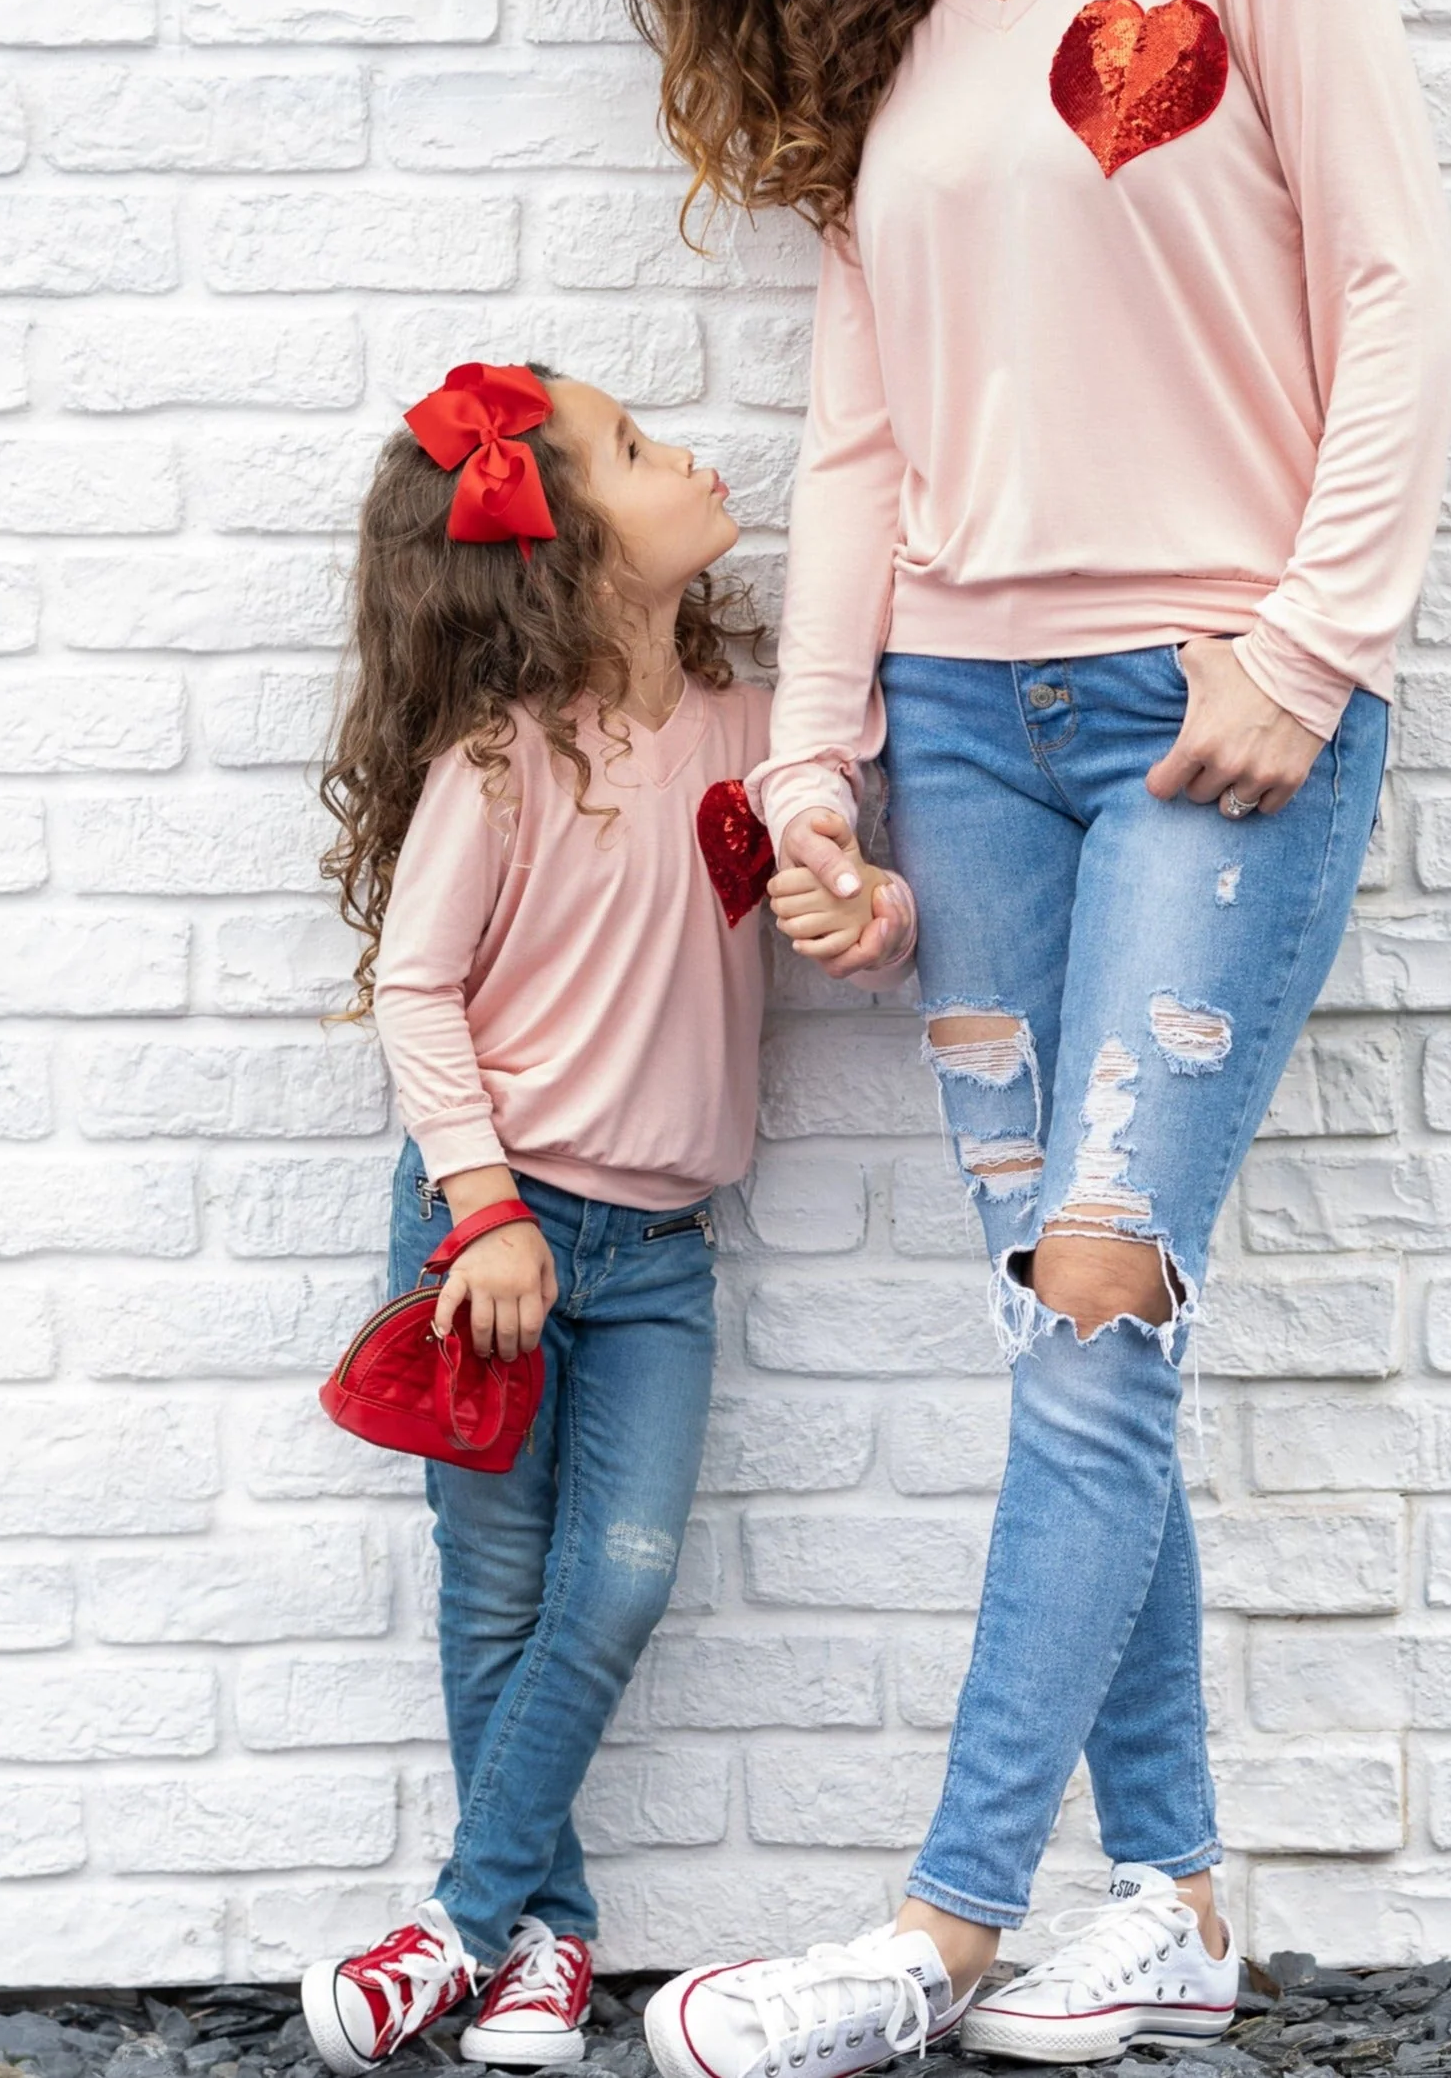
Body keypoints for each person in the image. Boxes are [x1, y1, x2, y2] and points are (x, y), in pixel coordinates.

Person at [558, 0, 1451, 2073]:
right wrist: (819, 765)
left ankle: (943, 1930)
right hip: (958, 728)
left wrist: (1317, 638)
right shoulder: (901, 6)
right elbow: (863, 437)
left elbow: (1398, 278)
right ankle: (1164, 1893)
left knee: (1095, 1293)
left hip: (1212, 710)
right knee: (1080, 1344)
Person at [302, 362, 885, 2075]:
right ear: (560, 549)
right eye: (636, 451)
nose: (694, 456)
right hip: (495, 1233)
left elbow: (852, 877)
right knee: (494, 1594)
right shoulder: (502, 762)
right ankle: (548, 1941)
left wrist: (866, 897)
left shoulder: (756, 736)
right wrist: (482, 1208)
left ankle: (458, 1928)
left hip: (655, 1260)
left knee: (613, 1583)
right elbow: (416, 987)